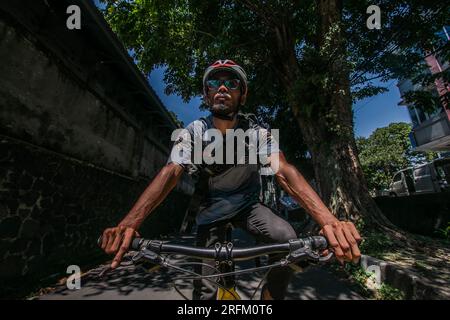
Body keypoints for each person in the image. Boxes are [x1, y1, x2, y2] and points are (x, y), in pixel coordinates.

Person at [100, 59, 361, 300]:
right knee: (205, 289)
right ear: (206, 94)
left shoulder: (257, 131)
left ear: (243, 95)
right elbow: (171, 171)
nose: (222, 87)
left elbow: (283, 170)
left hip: (249, 207)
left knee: (286, 238)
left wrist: (329, 221)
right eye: (214, 83)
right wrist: (129, 224)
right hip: (211, 209)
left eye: (232, 83)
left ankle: (270, 297)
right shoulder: (194, 131)